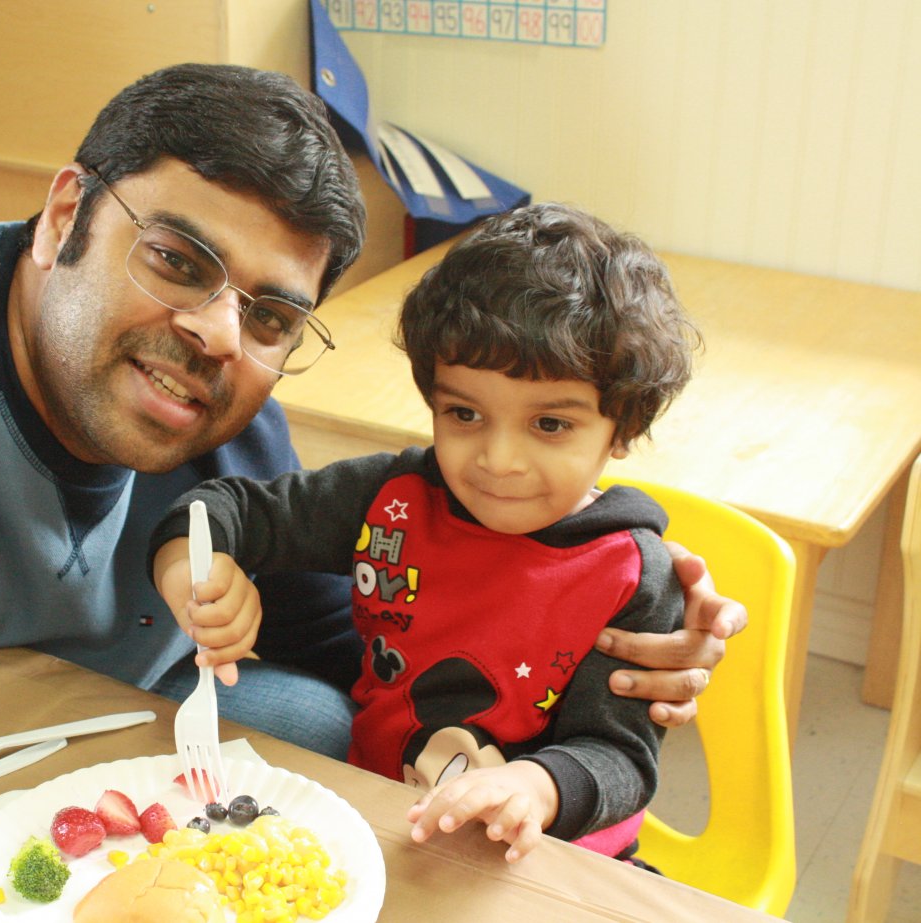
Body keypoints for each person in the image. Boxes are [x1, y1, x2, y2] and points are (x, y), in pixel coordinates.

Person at [0, 64, 739, 923]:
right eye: (176, 258)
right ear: (64, 210)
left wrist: (566, 648)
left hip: (81, 780)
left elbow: (343, 638)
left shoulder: (228, 410)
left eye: (271, 312)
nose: (215, 333)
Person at [149, 203, 702, 864]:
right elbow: (225, 508)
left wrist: (535, 783)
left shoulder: (631, 573)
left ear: (625, 428)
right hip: (377, 828)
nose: (498, 458)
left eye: (550, 425)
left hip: (552, 862)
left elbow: (621, 755)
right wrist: (192, 564)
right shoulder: (393, 498)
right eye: (464, 413)